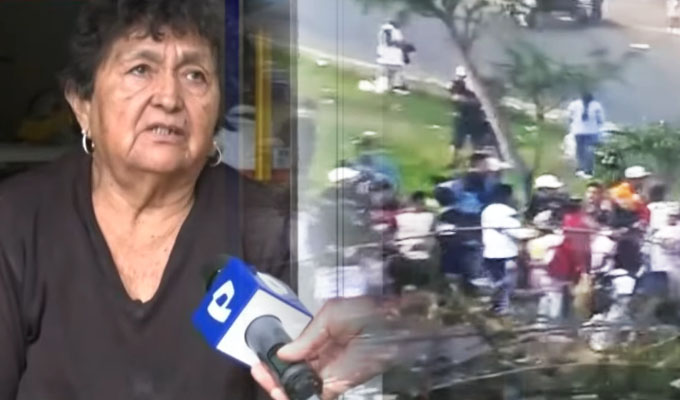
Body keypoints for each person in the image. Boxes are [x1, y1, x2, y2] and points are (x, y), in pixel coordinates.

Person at [0, 1, 388, 399]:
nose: (169, 98)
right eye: (141, 69)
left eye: (194, 75)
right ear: (82, 104)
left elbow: (314, 378)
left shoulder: (269, 228)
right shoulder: (17, 220)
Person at [481, 184, 523, 315]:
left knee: (495, 280)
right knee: (507, 282)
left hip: (489, 251)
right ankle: (503, 308)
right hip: (507, 252)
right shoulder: (507, 211)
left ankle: (495, 306)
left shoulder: (487, 210)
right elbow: (517, 232)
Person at [448, 67, 489, 162]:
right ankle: (454, 161)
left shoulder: (474, 87)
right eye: (461, 77)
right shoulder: (456, 86)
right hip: (463, 117)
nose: (462, 79)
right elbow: (455, 98)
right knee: (457, 142)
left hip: (474, 118)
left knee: (477, 142)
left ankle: (477, 161)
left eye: (463, 77)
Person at [566, 92, 605, 178]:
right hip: (592, 131)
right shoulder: (596, 105)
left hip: (578, 131)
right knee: (589, 151)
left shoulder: (574, 104)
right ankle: (588, 169)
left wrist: (573, 124)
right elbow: (600, 120)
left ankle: (581, 168)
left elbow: (569, 117)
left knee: (580, 151)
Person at [376, 18, 410, 94]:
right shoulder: (389, 29)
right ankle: (390, 88)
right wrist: (401, 44)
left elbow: (398, 44)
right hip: (391, 60)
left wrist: (404, 52)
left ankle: (389, 88)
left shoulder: (387, 31)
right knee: (388, 77)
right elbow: (390, 41)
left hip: (390, 60)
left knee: (388, 78)